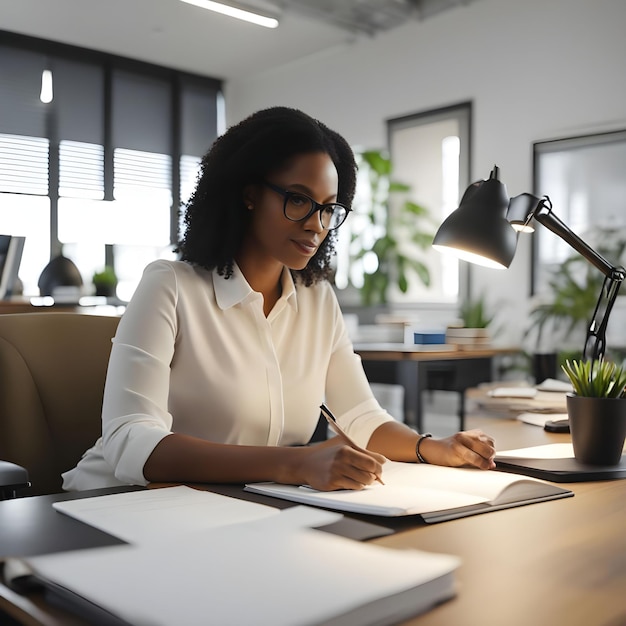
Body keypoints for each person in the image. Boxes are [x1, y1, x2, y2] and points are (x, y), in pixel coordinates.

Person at [63, 106, 495, 493]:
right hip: (114, 507)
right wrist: (296, 463)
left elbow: (360, 416)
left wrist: (431, 448)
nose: (316, 225)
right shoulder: (170, 286)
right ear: (248, 194)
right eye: (298, 200)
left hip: (231, 512)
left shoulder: (317, 300)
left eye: (329, 208)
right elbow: (129, 441)